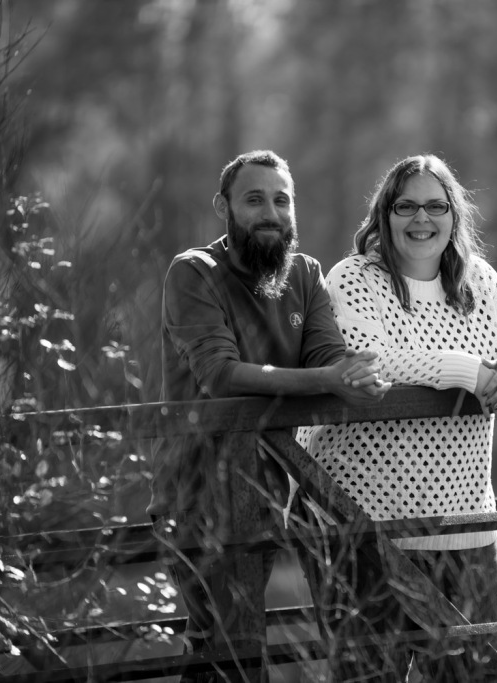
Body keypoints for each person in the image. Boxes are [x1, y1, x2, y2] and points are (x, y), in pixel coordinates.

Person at [298, 154, 497, 681]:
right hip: (365, 531)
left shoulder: (477, 281)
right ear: (384, 216)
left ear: (454, 216)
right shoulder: (354, 279)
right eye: (407, 206)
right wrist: (468, 370)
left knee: (480, 675)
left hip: (467, 526)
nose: (422, 219)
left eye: (436, 206)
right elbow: (369, 359)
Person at [147, 150, 391, 683]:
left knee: (222, 651)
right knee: (226, 645)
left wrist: (353, 373)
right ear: (223, 207)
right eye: (254, 199)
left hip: (265, 491)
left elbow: (326, 353)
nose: (271, 213)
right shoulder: (194, 273)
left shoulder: (303, 274)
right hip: (196, 492)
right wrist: (327, 382)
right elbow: (221, 375)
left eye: (282, 200)